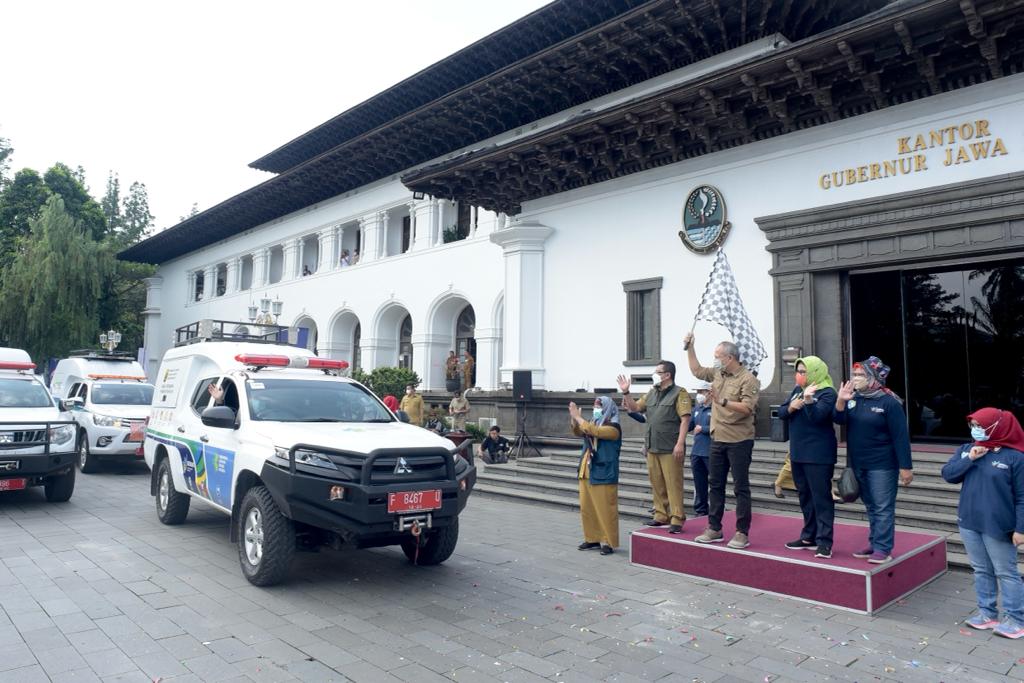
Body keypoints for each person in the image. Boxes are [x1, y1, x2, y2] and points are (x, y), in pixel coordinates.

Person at [942, 408, 1024, 638]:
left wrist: (1021, 528)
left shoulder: (1015, 457)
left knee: (1006, 572)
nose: (975, 429)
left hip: (998, 525)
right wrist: (970, 458)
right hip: (969, 521)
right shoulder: (968, 449)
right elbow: (948, 474)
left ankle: (1016, 619)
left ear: (996, 427)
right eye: (973, 425)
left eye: (980, 424)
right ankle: (987, 614)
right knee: (981, 569)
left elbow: (1022, 496)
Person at [834, 356, 913, 564]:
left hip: (882, 465)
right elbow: (839, 420)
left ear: (874, 378)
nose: (856, 378)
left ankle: (883, 548)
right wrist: (841, 400)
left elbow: (900, 437)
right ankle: (874, 542)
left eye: (861, 375)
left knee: (882, 506)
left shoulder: (889, 402)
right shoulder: (854, 399)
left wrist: (906, 467)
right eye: (855, 374)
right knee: (870, 506)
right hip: (859, 463)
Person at [684, 333, 759, 549]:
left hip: (739, 440)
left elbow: (747, 408)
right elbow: (697, 370)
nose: (715, 359)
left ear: (730, 357)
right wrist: (690, 347)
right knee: (715, 484)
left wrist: (722, 401)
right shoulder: (718, 372)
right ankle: (714, 528)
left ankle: (742, 532)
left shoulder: (748, 379)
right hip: (717, 438)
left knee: (740, 487)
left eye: (718, 356)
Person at [617, 361, 692, 534]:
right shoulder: (652, 392)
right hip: (653, 446)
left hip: (670, 446)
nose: (655, 374)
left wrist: (680, 443)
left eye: (658, 372)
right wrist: (626, 392)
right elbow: (635, 407)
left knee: (673, 484)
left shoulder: (680, 393)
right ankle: (661, 515)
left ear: (667, 375)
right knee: (656, 483)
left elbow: (685, 419)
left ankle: (677, 518)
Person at [779, 356, 838, 559]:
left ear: (815, 372)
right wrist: (791, 407)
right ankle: (808, 536)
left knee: (821, 498)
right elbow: (781, 412)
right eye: (799, 371)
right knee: (805, 496)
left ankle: (824, 541)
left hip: (819, 454)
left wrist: (808, 400)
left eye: (804, 371)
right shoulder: (798, 390)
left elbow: (818, 417)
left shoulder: (828, 392)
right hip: (798, 453)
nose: (800, 375)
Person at [570, 396, 622, 555]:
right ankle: (592, 538)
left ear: (608, 408)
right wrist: (574, 419)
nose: (596, 408)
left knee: (605, 508)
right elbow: (579, 431)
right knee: (588, 507)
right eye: (595, 405)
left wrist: (578, 417)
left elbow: (595, 432)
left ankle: (608, 541)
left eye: (599, 405)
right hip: (587, 469)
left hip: (604, 471)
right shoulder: (592, 422)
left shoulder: (613, 428)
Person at [688, 381, 712, 517]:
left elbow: (720, 427)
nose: (698, 395)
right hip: (696, 452)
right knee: (699, 483)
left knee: (714, 482)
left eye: (701, 392)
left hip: (710, 451)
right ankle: (701, 509)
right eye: (697, 392)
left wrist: (703, 429)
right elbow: (689, 425)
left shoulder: (716, 409)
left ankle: (715, 508)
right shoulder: (697, 409)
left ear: (709, 392)